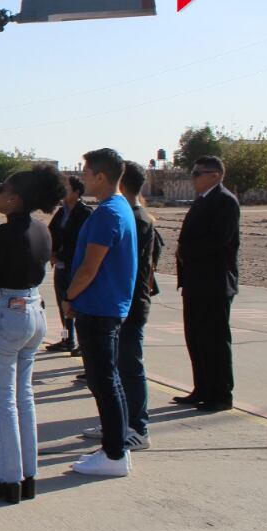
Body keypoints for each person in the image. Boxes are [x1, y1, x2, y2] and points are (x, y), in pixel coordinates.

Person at [0, 164, 66, 503]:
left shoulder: (4, 233)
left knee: (1, 400)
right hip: (34, 310)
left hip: (6, 310)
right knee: (23, 397)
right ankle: (28, 475)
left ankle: (7, 479)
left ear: (14, 198)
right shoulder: (43, 230)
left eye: (1, 190)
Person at [64, 148, 137, 477]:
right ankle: (115, 447)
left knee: (104, 381)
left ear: (102, 176)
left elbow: (89, 268)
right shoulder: (119, 208)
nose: (84, 177)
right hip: (107, 307)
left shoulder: (108, 213)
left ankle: (114, 454)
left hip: (98, 308)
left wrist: (69, 297)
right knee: (108, 380)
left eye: (87, 171)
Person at [84, 161, 164, 448]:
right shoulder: (129, 214)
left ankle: (137, 427)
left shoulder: (137, 218)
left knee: (129, 366)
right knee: (115, 367)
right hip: (122, 300)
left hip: (130, 301)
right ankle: (117, 424)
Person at [174, 155, 241, 412]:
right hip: (195, 281)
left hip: (214, 282)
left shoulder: (225, 201)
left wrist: (186, 250)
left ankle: (221, 394)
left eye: (197, 173)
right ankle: (202, 388)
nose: (193, 177)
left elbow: (218, 240)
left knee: (214, 340)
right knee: (196, 337)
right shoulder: (203, 200)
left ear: (214, 175)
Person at [46, 175, 92, 355]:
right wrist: (51, 252)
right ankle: (66, 338)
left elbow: (79, 241)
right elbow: (51, 233)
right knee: (62, 305)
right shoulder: (61, 212)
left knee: (77, 306)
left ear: (77, 192)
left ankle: (83, 343)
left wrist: (61, 254)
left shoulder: (85, 213)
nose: (63, 191)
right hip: (60, 265)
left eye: (67, 187)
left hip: (75, 266)